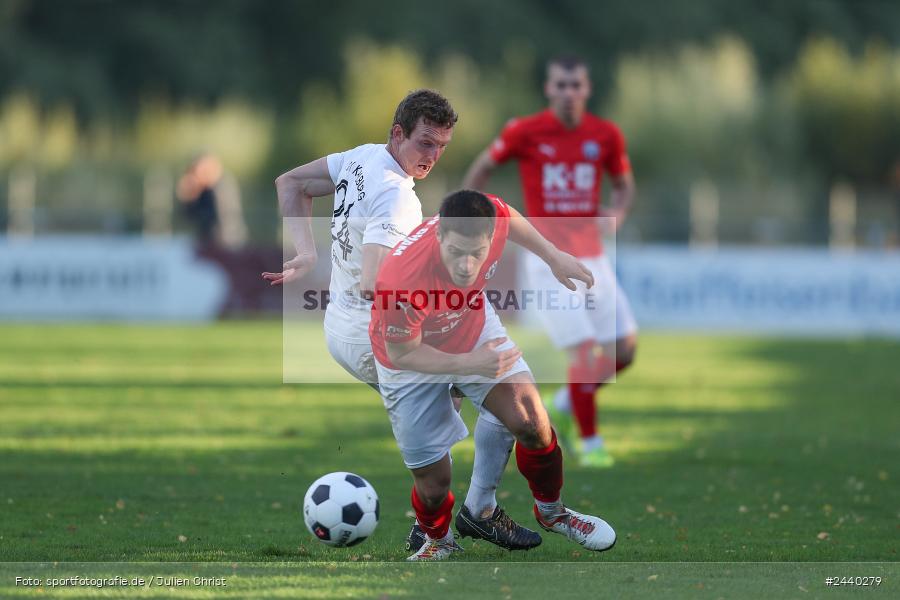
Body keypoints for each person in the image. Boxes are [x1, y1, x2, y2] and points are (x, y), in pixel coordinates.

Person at [262, 89, 539, 552]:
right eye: (425, 142)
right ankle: (465, 518)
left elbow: (289, 182)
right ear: (398, 133)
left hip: (342, 328)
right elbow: (376, 282)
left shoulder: (361, 157)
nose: (432, 155)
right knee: (494, 388)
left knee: (462, 399)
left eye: (442, 146)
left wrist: (306, 251)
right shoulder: (396, 197)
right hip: (376, 333)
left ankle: (454, 521)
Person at [370, 190, 616, 561]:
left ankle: (552, 513)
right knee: (434, 486)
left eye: (477, 253)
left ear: (490, 237)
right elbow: (403, 353)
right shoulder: (400, 277)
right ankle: (438, 539)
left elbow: (508, 214)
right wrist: (470, 364)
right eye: (456, 252)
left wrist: (553, 255)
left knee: (532, 422)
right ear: (438, 235)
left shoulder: (493, 221)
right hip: (408, 362)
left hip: (471, 325)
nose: (467, 265)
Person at [463, 55, 638, 468]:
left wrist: (618, 213)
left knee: (624, 350)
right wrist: (466, 216)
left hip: (592, 256)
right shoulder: (525, 131)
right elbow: (484, 166)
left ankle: (566, 403)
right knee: (584, 353)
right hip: (546, 259)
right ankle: (590, 442)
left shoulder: (605, 134)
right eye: (561, 85)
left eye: (576, 85)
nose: (568, 93)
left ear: (587, 89)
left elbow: (624, 184)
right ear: (549, 89)